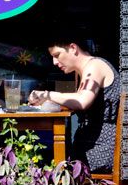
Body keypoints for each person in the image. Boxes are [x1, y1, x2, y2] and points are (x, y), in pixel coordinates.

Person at [28, 35, 120, 173]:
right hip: (91, 146)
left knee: (43, 163)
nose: (54, 62)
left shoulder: (95, 65)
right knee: (43, 158)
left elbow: (82, 101)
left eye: (57, 55)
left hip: (100, 151)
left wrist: (46, 94)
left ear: (73, 48)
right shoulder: (85, 70)